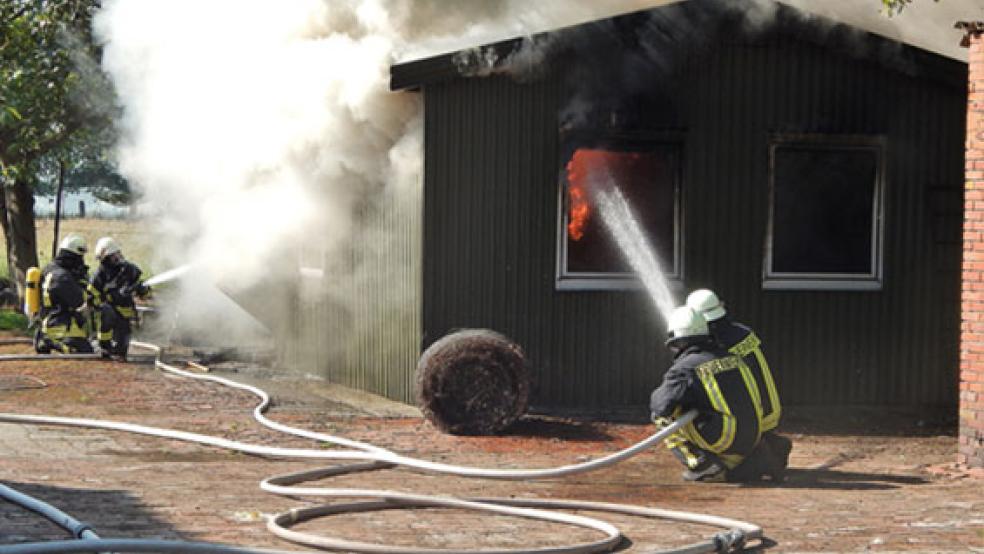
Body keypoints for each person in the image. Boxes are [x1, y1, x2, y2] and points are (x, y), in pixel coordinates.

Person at [685, 288, 792, 480]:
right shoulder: (743, 331)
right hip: (771, 409)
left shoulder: (720, 343)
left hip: (754, 414)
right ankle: (772, 445)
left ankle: (727, 464)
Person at [650, 306, 763, 482]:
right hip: (753, 436)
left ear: (679, 343)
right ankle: (743, 463)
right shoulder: (732, 356)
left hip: (726, 438)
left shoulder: (684, 368)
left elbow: (661, 405)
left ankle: (703, 466)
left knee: (662, 418)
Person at [90, 237, 149, 360]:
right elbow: (92, 298)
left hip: (125, 316)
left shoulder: (129, 270)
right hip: (108, 314)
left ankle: (118, 352)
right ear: (105, 258)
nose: (117, 258)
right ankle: (104, 346)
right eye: (113, 256)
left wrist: (142, 289)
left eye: (117, 254)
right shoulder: (100, 275)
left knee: (121, 352)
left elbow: (144, 292)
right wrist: (109, 297)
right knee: (107, 314)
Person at [35, 234, 94, 354]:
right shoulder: (63, 277)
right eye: (80, 257)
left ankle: (47, 340)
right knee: (86, 354)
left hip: (48, 322)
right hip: (63, 328)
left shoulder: (49, 269)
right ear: (73, 256)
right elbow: (80, 301)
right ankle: (54, 343)